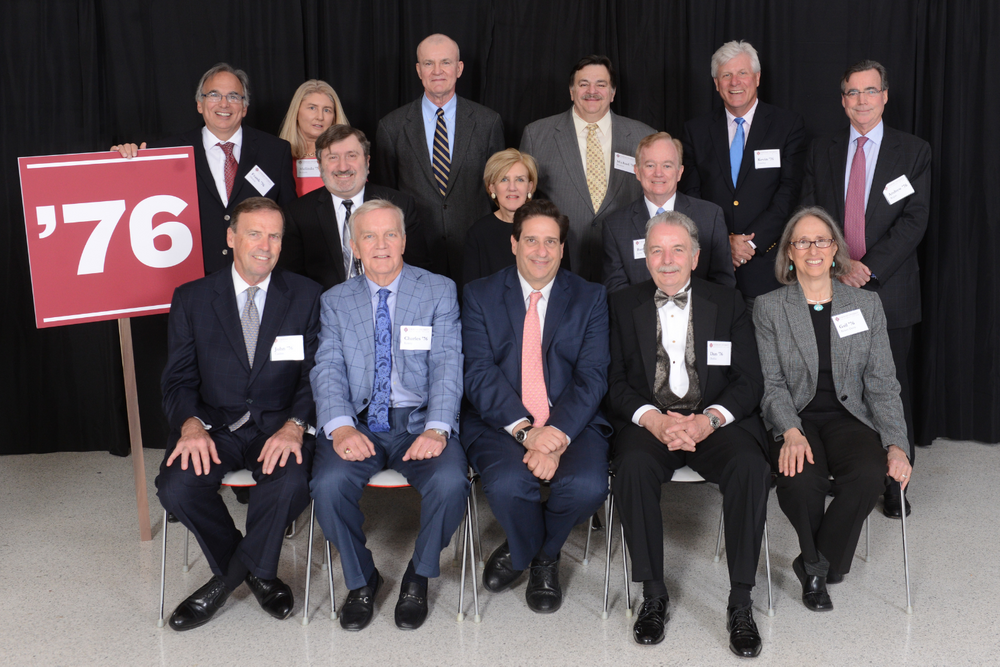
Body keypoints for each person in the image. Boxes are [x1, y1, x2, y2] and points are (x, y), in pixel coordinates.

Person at [606, 211, 769, 657]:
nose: (667, 259)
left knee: (751, 466)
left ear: (695, 257)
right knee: (633, 467)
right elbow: (613, 381)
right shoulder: (621, 304)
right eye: (656, 249)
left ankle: (740, 600)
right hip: (651, 421)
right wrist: (653, 420)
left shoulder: (729, 302)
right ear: (645, 257)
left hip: (710, 421)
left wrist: (708, 420)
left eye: (678, 249)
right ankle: (653, 594)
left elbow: (748, 381)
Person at [156, 197, 322, 631]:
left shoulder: (306, 296)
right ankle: (258, 574)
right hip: (213, 425)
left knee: (291, 482)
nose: (264, 245)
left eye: (274, 235)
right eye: (254, 233)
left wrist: (295, 425)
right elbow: (177, 380)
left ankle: (223, 583)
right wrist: (190, 425)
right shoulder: (192, 298)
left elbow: (316, 376)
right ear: (231, 238)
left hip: (279, 425)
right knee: (176, 487)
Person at [309, 199, 469, 632]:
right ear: (354, 246)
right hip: (359, 421)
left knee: (452, 482)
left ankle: (418, 574)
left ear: (404, 239)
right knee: (326, 485)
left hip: (418, 419)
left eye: (390, 234)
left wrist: (438, 427)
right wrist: (340, 425)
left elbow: (447, 363)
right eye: (369, 236)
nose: (381, 245)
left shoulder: (437, 289)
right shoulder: (335, 301)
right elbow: (328, 368)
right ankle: (362, 579)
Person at [753, 206, 912, 610]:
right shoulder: (769, 307)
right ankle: (819, 567)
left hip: (849, 416)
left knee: (868, 473)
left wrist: (896, 443)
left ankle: (816, 564)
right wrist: (789, 430)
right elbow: (770, 384)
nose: (813, 249)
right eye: (802, 241)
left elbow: (881, 383)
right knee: (800, 478)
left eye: (821, 240)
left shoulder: (865, 306)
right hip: (796, 416)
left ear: (835, 248)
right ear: (789, 252)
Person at [462, 199, 612, 614]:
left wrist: (556, 435)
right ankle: (540, 556)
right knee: (509, 484)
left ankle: (532, 551)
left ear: (563, 248)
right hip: (500, 421)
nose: (541, 251)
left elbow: (592, 376)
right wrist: (528, 434)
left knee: (586, 486)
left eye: (551, 242)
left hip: (571, 421)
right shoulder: (479, 295)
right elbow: (477, 373)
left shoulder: (590, 297)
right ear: (514, 243)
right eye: (531, 240)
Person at [800, 60, 930, 518]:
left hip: (888, 289)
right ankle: (853, 472)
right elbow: (810, 211)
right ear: (842, 100)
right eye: (852, 93)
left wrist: (867, 269)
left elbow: (914, 221)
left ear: (885, 96)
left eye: (870, 91)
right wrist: (837, 265)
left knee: (889, 388)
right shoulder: (823, 149)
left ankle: (896, 483)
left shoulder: (913, 151)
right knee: (842, 384)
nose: (861, 100)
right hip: (830, 285)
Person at [112, 63, 297, 275]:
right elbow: (135, 208)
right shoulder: (165, 152)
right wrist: (122, 161)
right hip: (189, 281)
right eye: (214, 95)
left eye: (234, 96)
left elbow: (288, 222)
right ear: (200, 104)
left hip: (257, 278)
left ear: (244, 107)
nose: (224, 104)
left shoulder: (275, 151)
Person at [679, 41, 805, 309]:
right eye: (726, 75)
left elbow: (790, 191)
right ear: (716, 82)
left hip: (767, 269)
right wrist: (724, 243)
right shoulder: (695, 131)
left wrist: (750, 244)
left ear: (757, 77)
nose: (734, 82)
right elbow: (691, 195)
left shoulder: (787, 125)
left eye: (742, 73)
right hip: (712, 270)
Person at [373, 33, 505, 279]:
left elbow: (497, 192)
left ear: (459, 68)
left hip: (476, 250)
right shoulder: (391, 127)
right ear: (418, 70)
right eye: (428, 63)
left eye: (445, 62)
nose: (437, 71)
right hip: (415, 253)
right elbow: (386, 197)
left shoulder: (488, 122)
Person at [520, 56, 656, 282]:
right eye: (583, 84)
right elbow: (525, 204)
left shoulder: (644, 137)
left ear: (612, 93)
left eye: (601, 84)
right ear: (572, 92)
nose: (592, 91)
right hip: (559, 263)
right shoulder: (536, 136)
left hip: (627, 265)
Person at [279, 125, 430, 289]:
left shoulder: (400, 205)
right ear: (320, 165)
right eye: (333, 157)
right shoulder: (297, 213)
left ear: (367, 161)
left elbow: (418, 270)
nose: (343, 167)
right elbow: (294, 282)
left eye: (351, 156)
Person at [603, 132, 734, 291]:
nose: (658, 173)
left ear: (679, 172)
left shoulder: (711, 217)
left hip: (700, 314)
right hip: (639, 314)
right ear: (637, 171)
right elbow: (617, 293)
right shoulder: (614, 226)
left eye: (667, 165)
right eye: (650, 165)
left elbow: (723, 285)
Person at [462, 148, 570, 287]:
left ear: (530, 187)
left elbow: (567, 285)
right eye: (504, 179)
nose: (512, 187)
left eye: (520, 179)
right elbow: (472, 292)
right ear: (492, 187)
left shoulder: (552, 226)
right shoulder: (477, 233)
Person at [277, 80, 349, 196]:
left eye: (327, 110)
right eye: (312, 108)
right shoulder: (277, 158)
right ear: (296, 112)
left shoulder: (346, 160)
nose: (320, 117)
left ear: (334, 118)